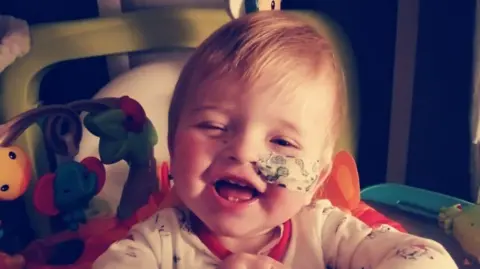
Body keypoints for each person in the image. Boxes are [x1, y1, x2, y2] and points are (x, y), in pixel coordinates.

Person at [93, 11, 458, 269]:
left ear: (316, 177)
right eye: (214, 126)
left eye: (282, 142)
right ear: (173, 145)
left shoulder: (324, 231)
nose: (243, 151)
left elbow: (428, 260)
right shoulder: (156, 242)